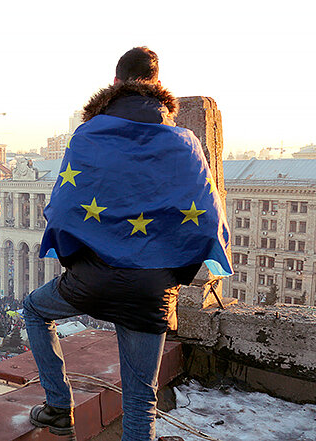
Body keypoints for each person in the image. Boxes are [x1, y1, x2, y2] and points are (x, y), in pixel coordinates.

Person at [24, 47, 231, 440]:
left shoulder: (88, 135)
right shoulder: (184, 142)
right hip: (152, 287)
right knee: (140, 402)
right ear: (157, 86)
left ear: (116, 84)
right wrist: (172, 274)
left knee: (35, 310)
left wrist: (78, 261)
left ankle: (58, 408)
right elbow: (208, 222)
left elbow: (63, 210)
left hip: (92, 280)